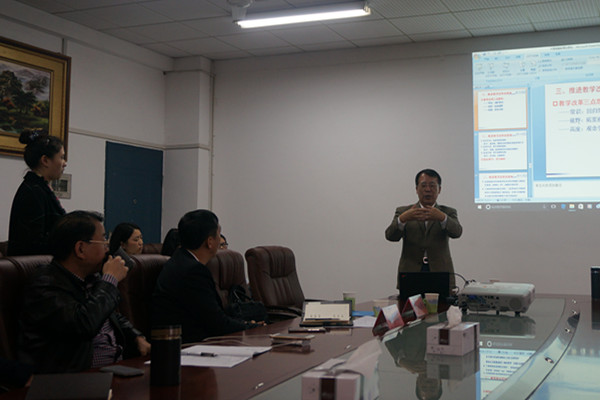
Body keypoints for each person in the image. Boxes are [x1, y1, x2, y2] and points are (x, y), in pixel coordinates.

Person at [18, 211, 150, 373]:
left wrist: (135, 336)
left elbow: (110, 316)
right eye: (103, 241)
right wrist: (110, 280)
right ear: (80, 249)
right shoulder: (45, 284)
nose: (107, 248)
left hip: (113, 370)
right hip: (74, 379)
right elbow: (83, 324)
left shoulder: (90, 278)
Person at [152, 210, 262, 343]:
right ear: (210, 242)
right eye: (218, 234)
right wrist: (253, 328)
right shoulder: (193, 272)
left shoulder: (181, 260)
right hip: (190, 345)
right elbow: (217, 323)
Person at [385, 169, 462, 288]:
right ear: (417, 189)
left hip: (440, 272)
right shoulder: (404, 211)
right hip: (410, 273)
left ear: (439, 189)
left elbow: (457, 232)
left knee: (442, 301)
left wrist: (442, 218)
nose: (428, 189)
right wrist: (402, 219)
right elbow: (390, 236)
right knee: (409, 301)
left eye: (432, 185)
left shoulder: (448, 212)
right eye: (424, 185)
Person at [8, 130, 66, 256]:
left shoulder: (40, 188)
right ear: (45, 160)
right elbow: (34, 244)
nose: (65, 163)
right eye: (61, 157)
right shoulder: (33, 192)